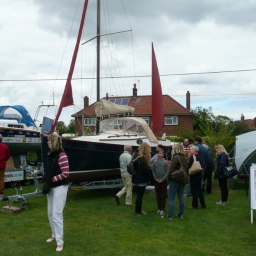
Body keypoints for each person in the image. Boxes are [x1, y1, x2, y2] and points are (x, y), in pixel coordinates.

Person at [44, 133, 69, 252]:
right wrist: (46, 180)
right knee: (50, 213)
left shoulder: (61, 155)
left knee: (57, 214)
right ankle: (54, 235)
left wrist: (52, 179)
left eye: (49, 141)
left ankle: (60, 241)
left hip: (60, 187)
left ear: (53, 142)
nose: (47, 143)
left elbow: (65, 173)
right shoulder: (50, 155)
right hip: (51, 187)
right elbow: (49, 170)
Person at [162, 143, 188, 220]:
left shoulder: (176, 157)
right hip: (182, 179)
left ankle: (170, 215)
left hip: (175, 179)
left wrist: (168, 178)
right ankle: (181, 213)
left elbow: (171, 169)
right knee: (181, 197)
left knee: (171, 198)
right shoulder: (185, 158)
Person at [132, 142, 152, 215]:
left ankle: (138, 211)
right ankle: (138, 211)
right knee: (140, 196)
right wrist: (150, 173)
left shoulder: (136, 156)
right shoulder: (142, 158)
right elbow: (145, 170)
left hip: (137, 178)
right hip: (142, 179)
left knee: (139, 196)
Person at [152, 148, 170, 215]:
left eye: (161, 153)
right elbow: (153, 171)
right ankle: (159, 208)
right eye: (158, 153)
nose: (159, 154)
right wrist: (155, 178)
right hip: (156, 181)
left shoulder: (165, 162)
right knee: (158, 195)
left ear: (163, 154)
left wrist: (162, 179)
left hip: (163, 181)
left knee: (163, 195)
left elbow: (167, 171)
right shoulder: (155, 162)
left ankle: (162, 208)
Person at [0, 134, 10, 198]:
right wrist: (4, 160)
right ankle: (1, 193)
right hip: (2, 164)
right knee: (1, 178)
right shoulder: (5, 146)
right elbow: (8, 155)